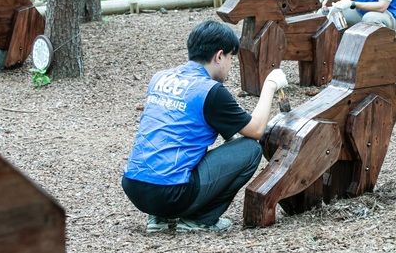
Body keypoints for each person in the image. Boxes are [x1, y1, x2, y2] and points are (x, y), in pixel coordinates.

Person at [121, 20, 288, 233]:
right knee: (251, 149)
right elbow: (255, 130)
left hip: (134, 187)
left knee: (174, 146)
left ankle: (159, 218)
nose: (230, 64)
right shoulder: (210, 91)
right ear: (219, 56)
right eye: (230, 58)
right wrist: (270, 85)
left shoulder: (160, 78)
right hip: (172, 194)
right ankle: (200, 220)